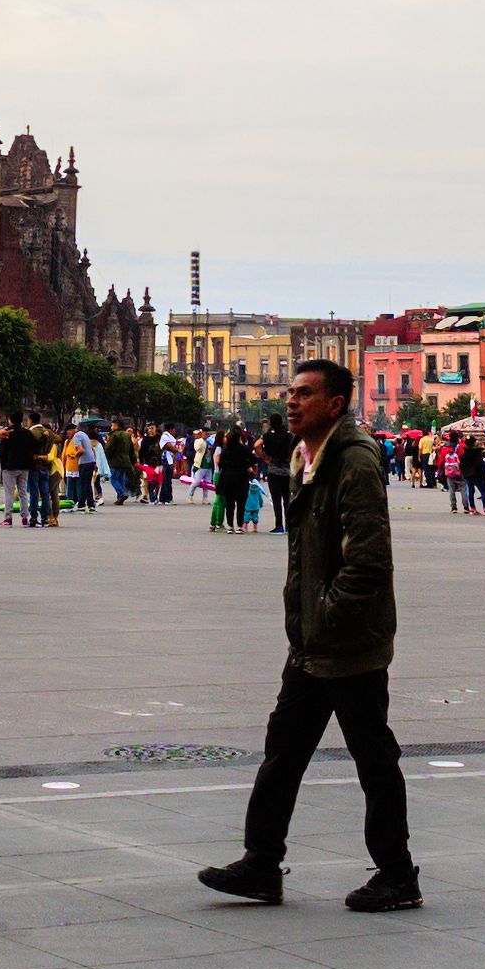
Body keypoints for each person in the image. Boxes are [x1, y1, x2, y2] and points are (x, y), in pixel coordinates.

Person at [199, 357, 419, 912]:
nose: (290, 401)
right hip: (312, 643)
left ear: (336, 404)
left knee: (373, 758)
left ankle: (397, 874)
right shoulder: (305, 457)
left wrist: (325, 616)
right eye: (290, 393)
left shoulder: (354, 462)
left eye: (303, 393)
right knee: (283, 753)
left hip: (348, 643)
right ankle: (261, 864)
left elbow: (368, 561)